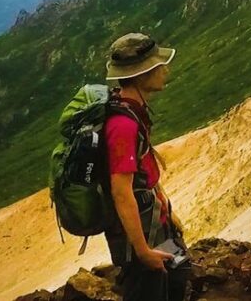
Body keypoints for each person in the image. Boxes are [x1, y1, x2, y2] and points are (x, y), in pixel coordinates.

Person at [103, 32, 191, 301]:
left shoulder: (132, 112)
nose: (166, 70)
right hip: (140, 237)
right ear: (142, 75)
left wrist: (166, 208)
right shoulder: (123, 126)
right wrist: (143, 251)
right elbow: (121, 191)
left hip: (156, 224)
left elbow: (144, 171)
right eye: (158, 66)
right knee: (150, 292)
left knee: (179, 272)